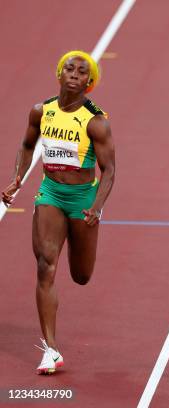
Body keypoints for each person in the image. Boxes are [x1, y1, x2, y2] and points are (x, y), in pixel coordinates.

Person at [1, 50, 115, 374]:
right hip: (50, 192)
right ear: (59, 73)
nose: (75, 74)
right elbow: (26, 145)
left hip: (82, 199)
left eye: (82, 71)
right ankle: (50, 349)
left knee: (81, 276)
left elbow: (109, 170)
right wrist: (16, 179)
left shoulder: (96, 122)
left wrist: (96, 207)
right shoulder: (41, 111)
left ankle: (81, 248)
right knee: (44, 265)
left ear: (89, 83)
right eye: (70, 68)